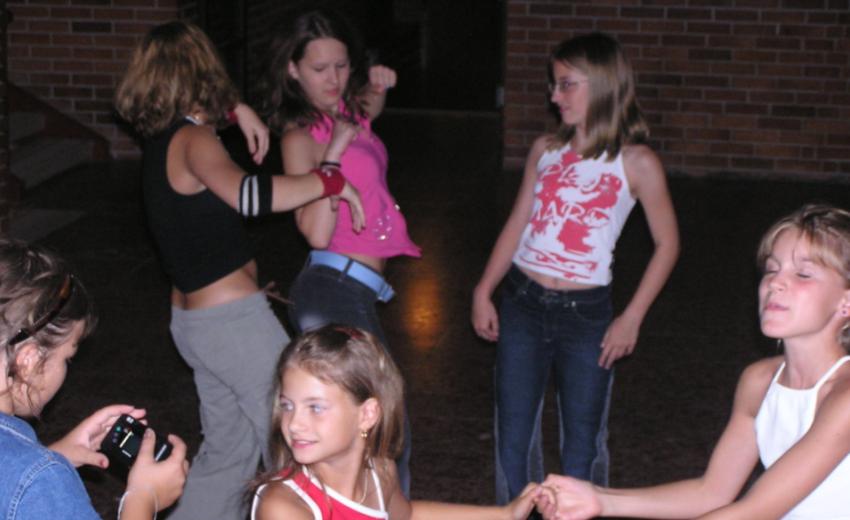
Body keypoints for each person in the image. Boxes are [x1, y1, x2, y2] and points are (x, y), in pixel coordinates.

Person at [114, 21, 365, 520]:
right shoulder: (193, 139)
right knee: (298, 441)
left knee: (228, 455)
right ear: (202, 71)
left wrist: (236, 111)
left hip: (197, 324)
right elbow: (250, 196)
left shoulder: (164, 139)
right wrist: (328, 180)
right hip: (232, 326)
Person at [535, 203, 850, 520]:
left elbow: (754, 512)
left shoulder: (844, 396)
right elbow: (711, 493)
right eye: (771, 269)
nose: (775, 283)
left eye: (803, 274)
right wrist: (602, 499)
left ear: (846, 302)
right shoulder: (759, 381)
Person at [471, 32, 679, 504]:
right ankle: (516, 512)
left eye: (566, 84)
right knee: (513, 433)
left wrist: (632, 316)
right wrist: (484, 289)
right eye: (553, 84)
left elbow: (668, 244)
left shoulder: (636, 162)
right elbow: (518, 223)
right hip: (523, 301)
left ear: (603, 85)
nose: (554, 95)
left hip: (586, 314)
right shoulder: (545, 150)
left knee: (582, 440)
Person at [260, 8, 420, 493]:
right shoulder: (300, 137)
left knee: (372, 432)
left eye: (342, 66)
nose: (333, 79)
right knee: (382, 431)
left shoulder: (349, 115)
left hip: (356, 289)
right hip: (332, 290)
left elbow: (369, 107)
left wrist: (380, 84)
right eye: (319, 69)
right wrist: (331, 156)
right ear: (293, 70)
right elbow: (314, 231)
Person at [250, 324, 544, 520]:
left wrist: (505, 514)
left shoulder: (380, 471)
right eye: (287, 406)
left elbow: (409, 515)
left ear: (367, 414)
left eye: (315, 407)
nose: (294, 424)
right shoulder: (283, 506)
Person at [0, 238, 188, 519]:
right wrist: (144, 498)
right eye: (68, 358)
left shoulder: (33, 477)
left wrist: (58, 455)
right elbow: (24, 487)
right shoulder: (40, 480)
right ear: (28, 361)